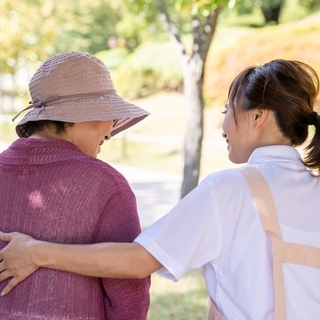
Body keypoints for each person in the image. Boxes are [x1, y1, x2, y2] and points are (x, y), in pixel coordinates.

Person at [1, 59, 320, 319]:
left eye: (226, 111)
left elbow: (137, 262)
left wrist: (35, 252)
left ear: (259, 116)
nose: (222, 125)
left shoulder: (230, 189)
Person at [0, 51, 151, 319]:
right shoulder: (106, 185)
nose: (110, 130)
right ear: (81, 116)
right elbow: (128, 291)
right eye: (109, 116)